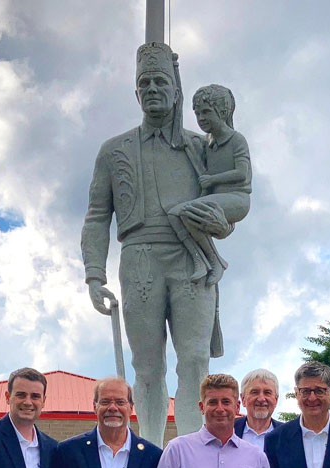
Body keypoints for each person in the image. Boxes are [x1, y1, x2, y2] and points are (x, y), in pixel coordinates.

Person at [82, 41, 249, 445]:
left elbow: (237, 198)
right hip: (139, 258)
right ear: (136, 93)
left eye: (161, 81)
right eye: (145, 83)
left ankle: (194, 451)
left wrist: (222, 222)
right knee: (147, 367)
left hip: (191, 257)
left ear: (176, 90)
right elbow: (97, 215)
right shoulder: (114, 150)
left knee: (194, 361)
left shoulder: (203, 145)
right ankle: (152, 450)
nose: (153, 88)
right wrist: (93, 274)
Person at [168, 84, 251, 285]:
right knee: (175, 214)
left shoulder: (236, 140)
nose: (201, 118)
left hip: (236, 199)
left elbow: (242, 173)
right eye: (197, 114)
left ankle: (214, 261)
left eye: (206, 112)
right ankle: (202, 259)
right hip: (215, 198)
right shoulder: (207, 142)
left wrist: (213, 179)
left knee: (188, 212)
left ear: (222, 112)